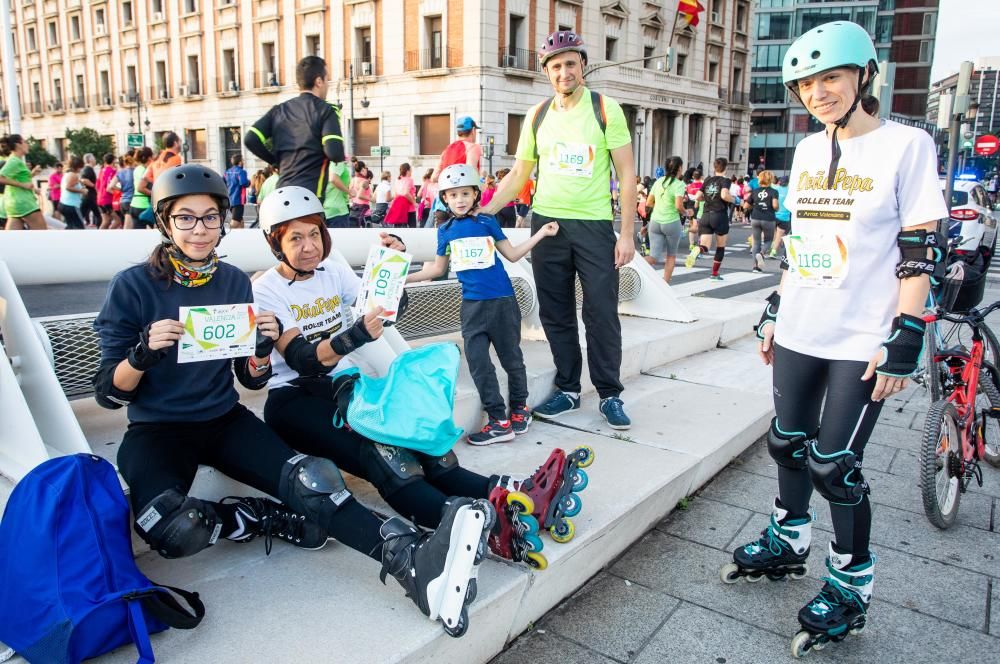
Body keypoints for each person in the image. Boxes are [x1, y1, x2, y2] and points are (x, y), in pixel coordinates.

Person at [91, 164, 494, 638]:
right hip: (156, 429)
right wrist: (142, 353)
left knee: (312, 478)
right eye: (185, 218)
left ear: (223, 221)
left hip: (223, 419)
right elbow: (109, 393)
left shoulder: (233, 283)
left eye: (210, 218)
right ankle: (253, 516)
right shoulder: (133, 286)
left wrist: (260, 350)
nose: (199, 230)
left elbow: (251, 379)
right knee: (170, 529)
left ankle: (409, 558)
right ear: (164, 222)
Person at [724, 21, 948, 654]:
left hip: (863, 339)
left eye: (831, 78)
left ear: (864, 78)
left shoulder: (907, 147)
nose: (817, 93)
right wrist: (774, 305)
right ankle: (787, 540)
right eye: (806, 83)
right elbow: (803, 244)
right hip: (802, 326)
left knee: (835, 466)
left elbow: (919, 251)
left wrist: (906, 336)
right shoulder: (804, 152)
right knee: (787, 444)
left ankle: (851, 587)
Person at [252, 184, 582, 571]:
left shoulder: (333, 268)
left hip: (343, 384)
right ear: (275, 242)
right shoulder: (266, 289)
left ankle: (512, 494)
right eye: (295, 238)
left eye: (314, 234)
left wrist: (390, 273)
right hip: (294, 399)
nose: (309, 246)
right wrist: (357, 333)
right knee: (382, 453)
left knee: (419, 437)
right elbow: (305, 361)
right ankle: (470, 522)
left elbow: (386, 309)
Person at [482, 30, 637, 430]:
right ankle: (568, 388)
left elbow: (627, 172)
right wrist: (484, 213)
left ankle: (609, 394)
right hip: (548, 225)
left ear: (583, 65)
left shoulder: (606, 109)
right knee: (556, 312)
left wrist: (626, 233)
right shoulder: (537, 115)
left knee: (601, 312)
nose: (564, 71)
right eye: (555, 66)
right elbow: (519, 174)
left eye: (571, 63)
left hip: (594, 225)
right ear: (546, 72)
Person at [407, 164, 558, 442]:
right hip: (472, 306)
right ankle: (499, 420)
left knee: (511, 358)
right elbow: (436, 269)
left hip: (502, 301)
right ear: (445, 199)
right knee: (478, 363)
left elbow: (512, 255)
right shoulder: (446, 230)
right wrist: (404, 279)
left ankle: (520, 410)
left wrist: (540, 234)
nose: (460, 199)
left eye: (465, 193)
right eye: (453, 195)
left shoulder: (487, 222)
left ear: (476, 194)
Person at [245, 56, 346, 195]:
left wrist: (274, 161)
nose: (328, 85)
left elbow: (250, 139)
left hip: (281, 195)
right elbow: (335, 153)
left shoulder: (279, 110)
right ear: (318, 81)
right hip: (308, 199)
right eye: (327, 80)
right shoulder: (326, 111)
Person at [644, 156, 686, 283]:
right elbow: (678, 206)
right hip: (671, 222)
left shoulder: (658, 181)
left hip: (655, 222)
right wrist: (686, 212)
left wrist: (660, 207)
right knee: (671, 255)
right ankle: (665, 284)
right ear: (679, 168)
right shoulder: (679, 184)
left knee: (653, 257)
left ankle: (633, 266)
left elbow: (649, 202)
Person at [694, 158, 735, 280]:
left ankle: (697, 249)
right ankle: (714, 273)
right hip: (719, 215)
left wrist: (707, 199)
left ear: (714, 167)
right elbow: (724, 195)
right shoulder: (725, 180)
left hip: (705, 215)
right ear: (726, 168)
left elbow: (698, 196)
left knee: (705, 246)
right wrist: (735, 200)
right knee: (720, 246)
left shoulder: (707, 180)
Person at [136, 133, 182, 227]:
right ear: (175, 143)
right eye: (180, 141)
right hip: (169, 199)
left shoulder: (156, 159)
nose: (181, 144)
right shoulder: (176, 159)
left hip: (158, 199)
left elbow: (141, 186)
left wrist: (155, 193)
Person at [0, 135, 45, 230]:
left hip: (13, 204)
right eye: (25, 142)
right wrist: (23, 185)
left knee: (12, 240)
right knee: (42, 235)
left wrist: (32, 174)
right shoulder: (14, 161)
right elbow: (1, 178)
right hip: (24, 203)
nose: (27, 145)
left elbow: (20, 179)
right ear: (18, 145)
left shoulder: (14, 160)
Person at [747, 170, 779, 272]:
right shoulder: (773, 192)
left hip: (755, 217)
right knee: (769, 240)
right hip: (768, 218)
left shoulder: (755, 191)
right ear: (770, 179)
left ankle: (755, 267)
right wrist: (777, 208)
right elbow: (775, 205)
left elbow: (746, 205)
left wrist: (756, 205)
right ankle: (761, 254)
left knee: (756, 242)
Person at [57, 157, 88, 230]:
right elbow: (68, 187)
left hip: (64, 204)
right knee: (80, 227)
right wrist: (82, 191)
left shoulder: (67, 174)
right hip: (71, 205)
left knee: (70, 227)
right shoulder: (73, 175)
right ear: (78, 166)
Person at [128, 148, 154, 229]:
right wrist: (155, 194)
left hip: (134, 204)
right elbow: (141, 188)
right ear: (150, 158)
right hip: (144, 205)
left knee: (138, 235)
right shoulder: (146, 171)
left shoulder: (137, 168)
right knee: (156, 233)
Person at [108, 154, 136, 229]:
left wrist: (121, 189)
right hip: (131, 200)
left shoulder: (120, 172)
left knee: (128, 225)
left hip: (123, 201)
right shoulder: (135, 171)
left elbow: (111, 186)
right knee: (128, 227)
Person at [385, 162, 416, 228]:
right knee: (412, 228)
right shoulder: (409, 180)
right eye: (411, 170)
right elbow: (406, 193)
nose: (411, 172)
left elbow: (396, 193)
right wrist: (414, 202)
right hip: (409, 207)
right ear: (408, 171)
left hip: (398, 205)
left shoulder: (397, 180)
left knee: (398, 227)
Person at [224, 155, 250, 229]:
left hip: (229, 199)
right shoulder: (241, 172)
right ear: (240, 162)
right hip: (238, 199)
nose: (243, 162)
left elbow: (223, 182)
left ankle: (242, 236)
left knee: (240, 219)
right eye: (243, 160)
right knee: (235, 221)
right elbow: (244, 183)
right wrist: (249, 182)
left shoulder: (227, 172)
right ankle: (226, 236)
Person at [769, 175, 792, 260]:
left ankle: (772, 246)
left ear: (780, 182)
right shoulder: (790, 191)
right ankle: (773, 252)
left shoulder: (775, 188)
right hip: (784, 217)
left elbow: (770, 183)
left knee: (774, 233)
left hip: (773, 215)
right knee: (779, 235)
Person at [96, 153, 119, 229]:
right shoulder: (112, 171)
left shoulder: (102, 171)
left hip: (100, 199)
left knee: (106, 221)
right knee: (118, 221)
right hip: (107, 199)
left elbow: (97, 185)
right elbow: (109, 187)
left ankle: (100, 238)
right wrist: (117, 194)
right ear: (113, 161)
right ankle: (109, 237)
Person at [79, 153, 100, 228]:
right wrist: (94, 186)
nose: (95, 159)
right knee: (98, 215)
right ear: (90, 160)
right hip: (89, 196)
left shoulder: (88, 169)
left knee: (82, 215)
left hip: (88, 196)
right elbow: (83, 180)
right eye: (94, 158)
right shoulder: (88, 169)